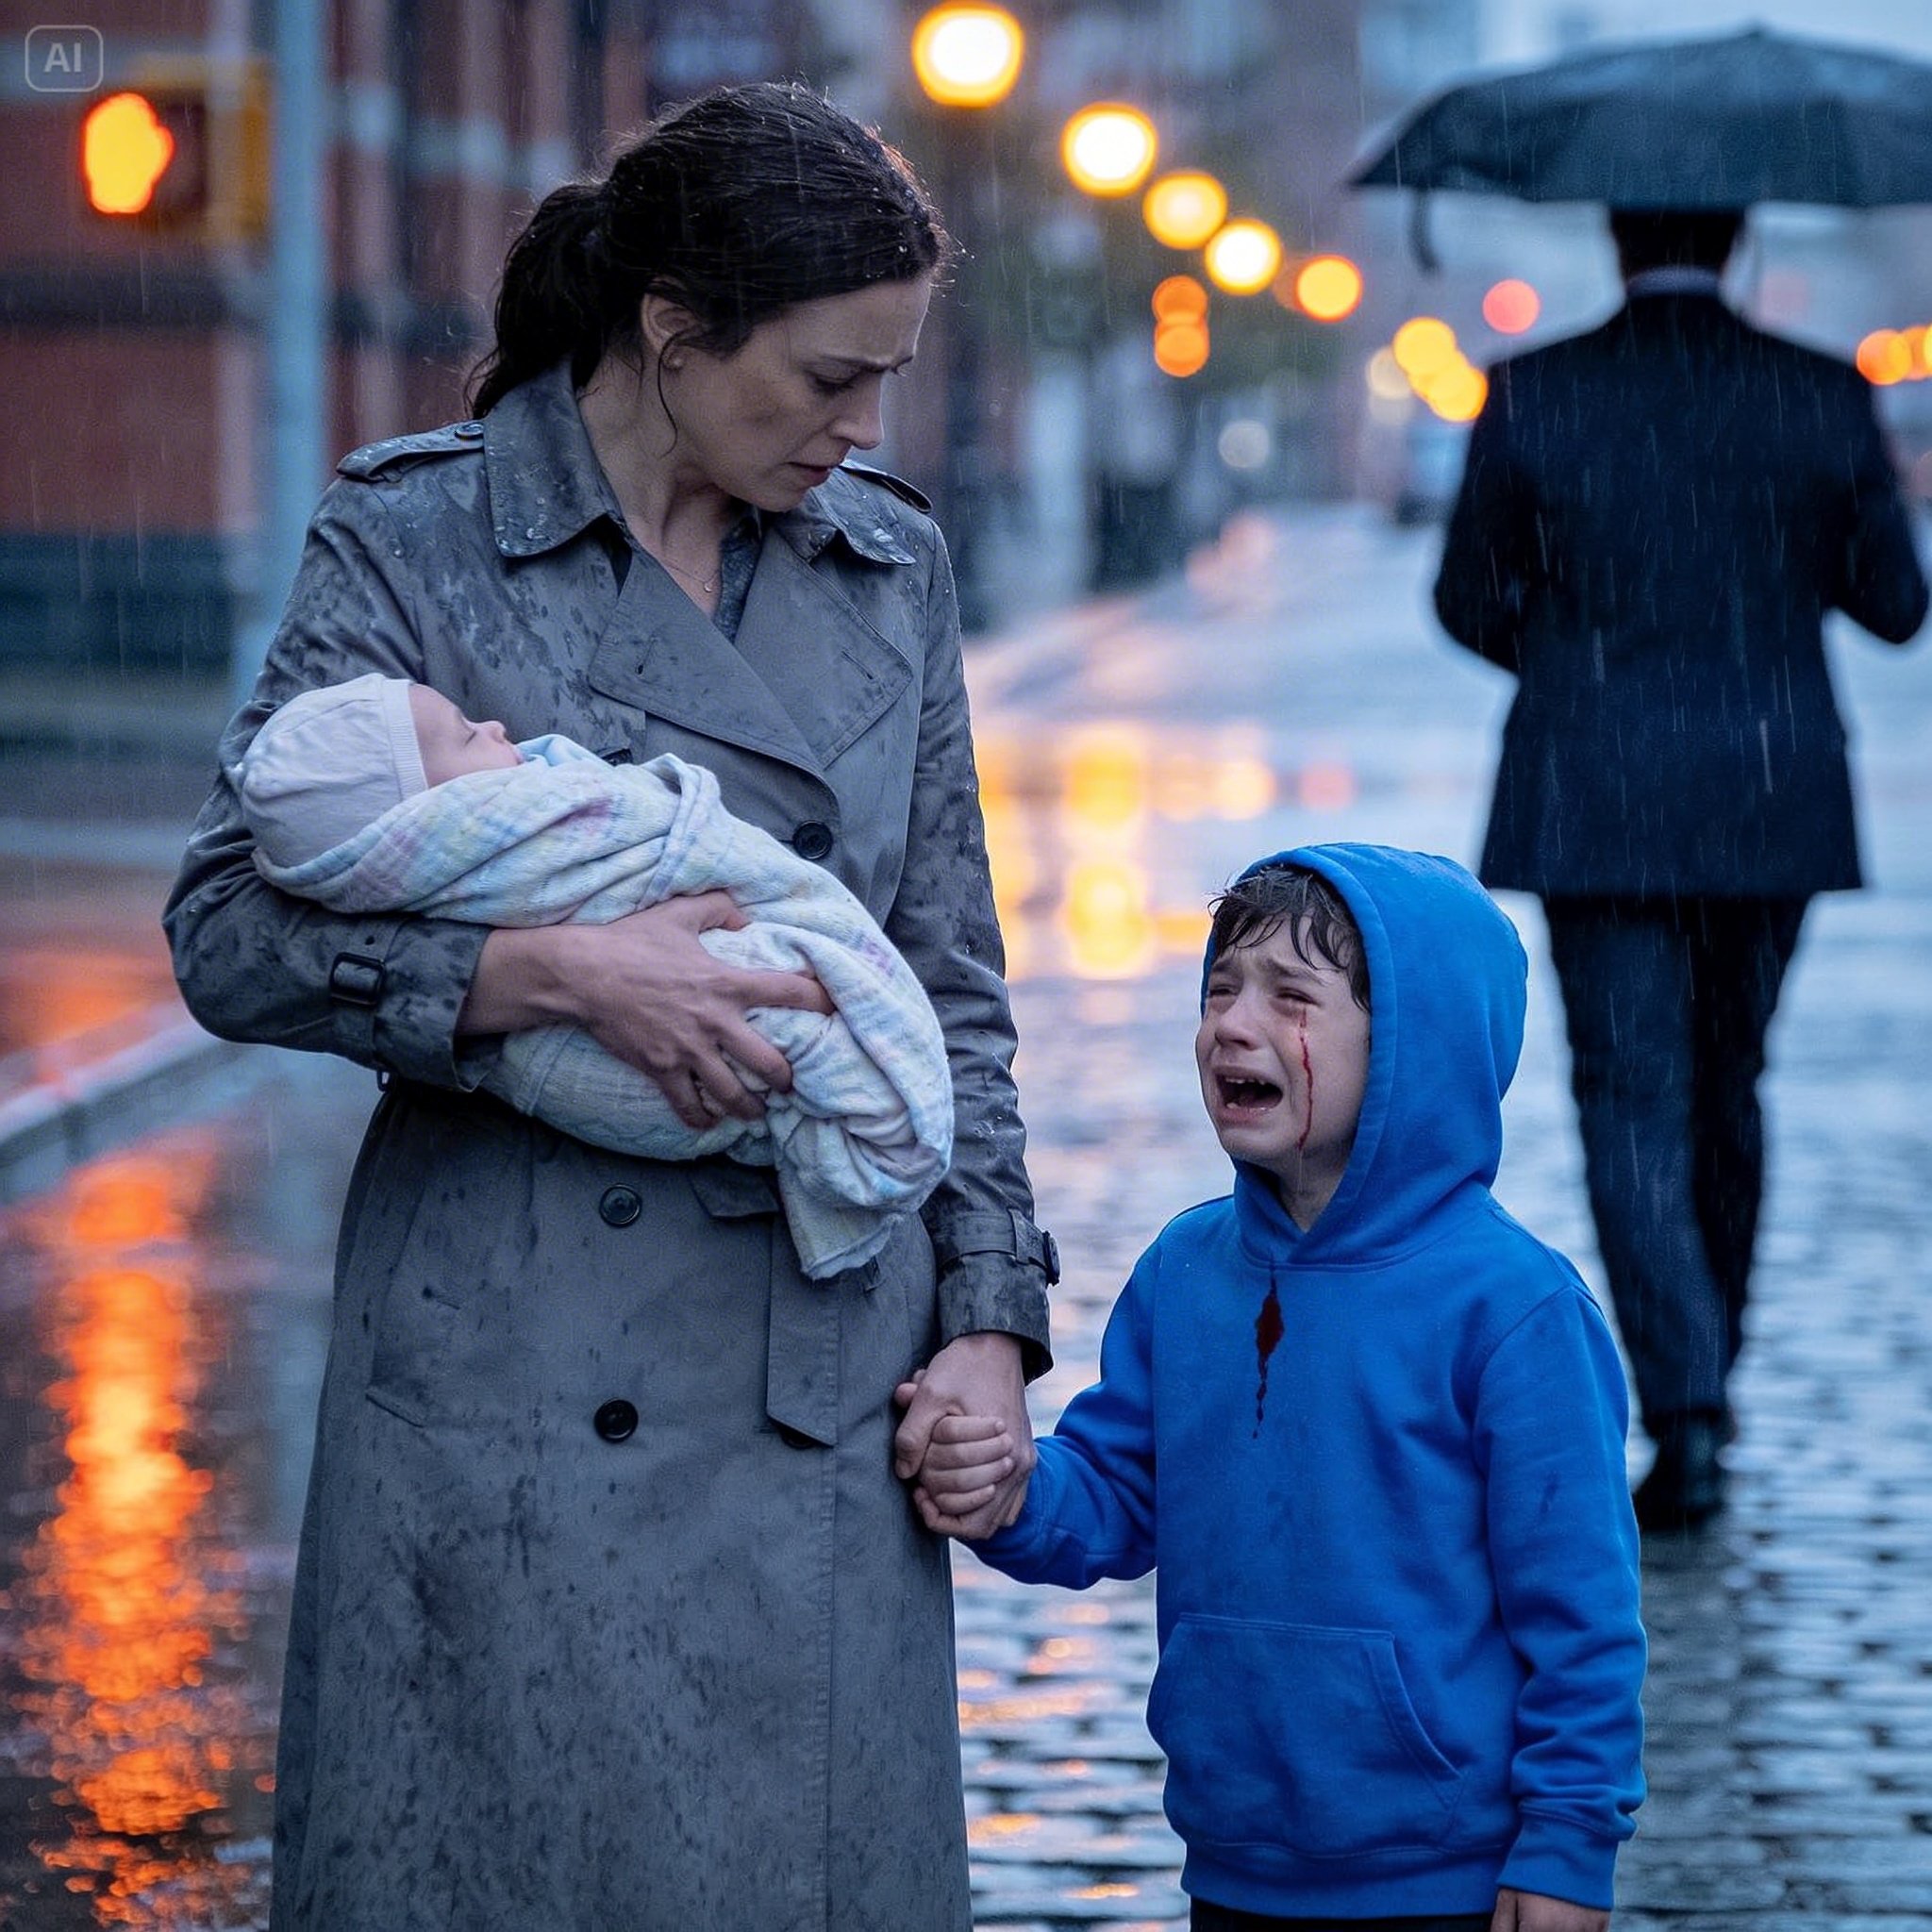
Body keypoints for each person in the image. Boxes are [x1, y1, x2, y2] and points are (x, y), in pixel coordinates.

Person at [165, 82, 1056, 1932]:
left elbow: (949, 975)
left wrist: (989, 1322)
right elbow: (223, 928)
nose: (863, 426)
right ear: (670, 332)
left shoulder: (887, 570)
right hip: (505, 1374)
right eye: (825, 377)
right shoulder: (418, 541)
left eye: (887, 375)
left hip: (804, 1379)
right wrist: (529, 977)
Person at [908, 847, 1646, 1930]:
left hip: (1446, 1878)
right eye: (1218, 990)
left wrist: (1567, 1846)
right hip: (1235, 1862)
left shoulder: (1516, 1310)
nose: (1230, 1026)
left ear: (1409, 1050)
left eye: (1288, 997)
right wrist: (1010, 1491)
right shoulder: (1182, 1270)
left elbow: (1581, 1615)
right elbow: (1113, 1491)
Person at [1434, 208, 1928, 1531]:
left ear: (1612, 233)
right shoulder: (1821, 392)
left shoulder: (1537, 390)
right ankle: (1709, 1377)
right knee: (1729, 1086)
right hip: (1769, 796)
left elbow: (1466, 599)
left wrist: (1586, 667)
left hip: (1596, 796)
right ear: (1739, 236)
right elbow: (1896, 603)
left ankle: (1686, 1402)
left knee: (1630, 1095)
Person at [231, 672, 956, 1279]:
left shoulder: (899, 557)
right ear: (420, 821)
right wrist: (560, 973)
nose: (494, 726)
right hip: (511, 1289)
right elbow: (227, 943)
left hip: (821, 1349)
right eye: (463, 735)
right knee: (806, 1040)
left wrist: (993, 1316)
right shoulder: (401, 546)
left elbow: (956, 966)